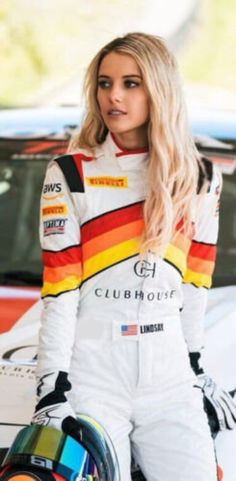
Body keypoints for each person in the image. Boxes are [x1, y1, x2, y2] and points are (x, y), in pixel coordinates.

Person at [32, 32, 236, 481]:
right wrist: (51, 386)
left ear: (159, 89)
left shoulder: (201, 177)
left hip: (170, 373)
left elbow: (195, 283)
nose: (114, 96)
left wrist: (196, 366)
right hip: (93, 372)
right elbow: (60, 290)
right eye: (105, 84)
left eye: (131, 83)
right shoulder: (72, 172)